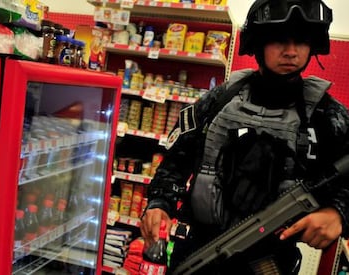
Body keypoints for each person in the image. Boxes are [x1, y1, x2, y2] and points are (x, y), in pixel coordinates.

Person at [140, 0, 349, 274]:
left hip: (271, 260)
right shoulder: (220, 100)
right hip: (198, 253)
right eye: (278, 40)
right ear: (258, 42)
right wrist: (159, 203)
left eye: (301, 40)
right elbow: (175, 163)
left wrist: (338, 213)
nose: (291, 52)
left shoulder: (326, 116)